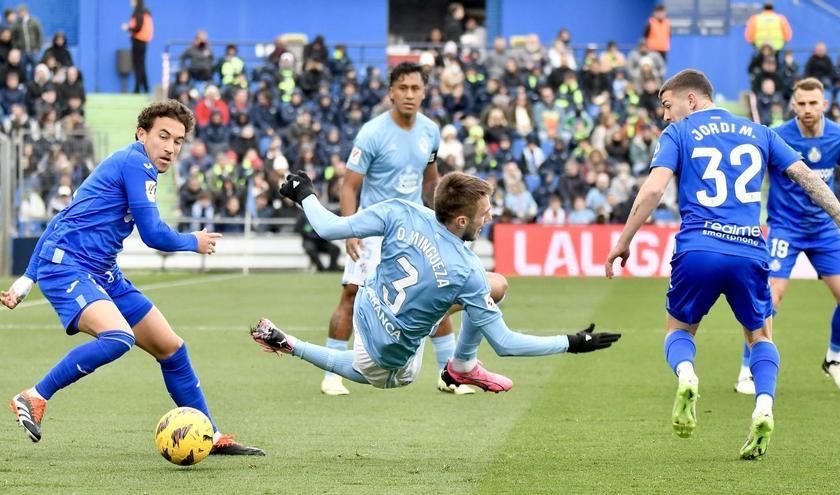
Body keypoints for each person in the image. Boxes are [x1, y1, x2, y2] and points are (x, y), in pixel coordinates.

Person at [604, 69, 840, 460]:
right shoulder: (761, 132)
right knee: (761, 336)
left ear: (690, 100)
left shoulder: (677, 134)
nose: (664, 115)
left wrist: (623, 240)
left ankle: (687, 374)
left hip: (698, 249)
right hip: (749, 249)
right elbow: (807, 178)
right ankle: (763, 406)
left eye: (666, 105)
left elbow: (654, 188)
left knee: (679, 331)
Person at [1, 100, 264, 456]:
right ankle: (34, 396)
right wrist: (194, 242)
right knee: (119, 337)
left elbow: (62, 217)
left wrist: (26, 278)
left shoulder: (129, 165)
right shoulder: (136, 163)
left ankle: (210, 436)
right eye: (163, 136)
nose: (171, 147)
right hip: (68, 268)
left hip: (102, 272)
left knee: (171, 348)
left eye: (179, 140)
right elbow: (153, 234)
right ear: (142, 134)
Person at [251, 171, 621, 393]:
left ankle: (460, 365)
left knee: (494, 285)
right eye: (484, 213)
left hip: (368, 304)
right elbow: (506, 344)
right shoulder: (466, 269)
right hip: (393, 358)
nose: (489, 218)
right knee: (373, 372)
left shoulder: (401, 210)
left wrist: (304, 194)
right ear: (461, 221)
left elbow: (330, 226)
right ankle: (461, 365)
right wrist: (571, 343)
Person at [320, 62, 476, 396]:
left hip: (415, 231)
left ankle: (449, 375)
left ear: (424, 92)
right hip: (375, 231)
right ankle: (332, 373)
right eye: (402, 88)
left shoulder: (430, 131)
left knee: (437, 292)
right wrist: (351, 230)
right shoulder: (372, 133)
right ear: (391, 92)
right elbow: (348, 187)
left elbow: (432, 182)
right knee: (351, 293)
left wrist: (443, 229)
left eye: (415, 88)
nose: (409, 94)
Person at [734, 78, 840, 395]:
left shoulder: (839, 136)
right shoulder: (779, 136)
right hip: (785, 226)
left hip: (824, 228)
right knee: (769, 298)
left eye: (814, 103)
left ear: (824, 103)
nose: (808, 109)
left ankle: (833, 360)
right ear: (793, 105)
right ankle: (747, 370)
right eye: (802, 103)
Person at [122, 0, 152, 94]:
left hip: (138, 41)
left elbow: (138, 27)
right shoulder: (145, 11)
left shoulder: (139, 12)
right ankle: (146, 88)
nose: (131, 2)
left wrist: (128, 28)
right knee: (141, 65)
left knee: (138, 65)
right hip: (143, 42)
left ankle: (137, 89)